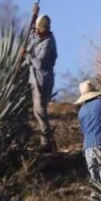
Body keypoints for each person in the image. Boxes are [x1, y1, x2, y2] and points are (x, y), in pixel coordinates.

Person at [23, 14, 57, 149]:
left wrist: (26, 55)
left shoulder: (48, 43)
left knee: (40, 111)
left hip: (42, 80)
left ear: (44, 29)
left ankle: (47, 142)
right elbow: (33, 35)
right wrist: (34, 15)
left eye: (38, 29)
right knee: (38, 111)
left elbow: (39, 63)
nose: (36, 31)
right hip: (36, 79)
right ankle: (47, 140)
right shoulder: (41, 38)